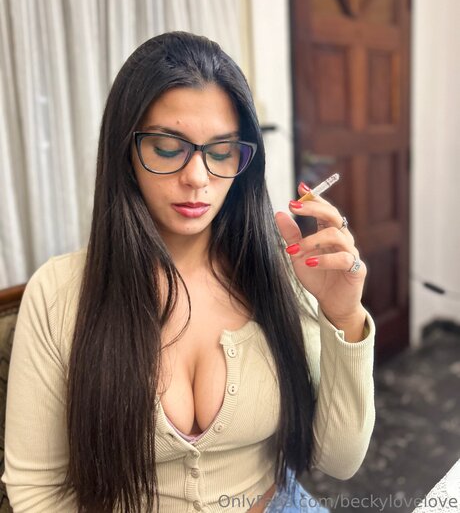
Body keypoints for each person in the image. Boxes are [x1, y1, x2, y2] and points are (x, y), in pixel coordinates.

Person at [2, 32, 376, 513]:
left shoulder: (281, 274)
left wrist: (343, 315)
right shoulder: (59, 293)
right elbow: (38, 489)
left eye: (221, 152)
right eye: (167, 147)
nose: (197, 177)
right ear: (125, 151)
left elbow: (339, 461)